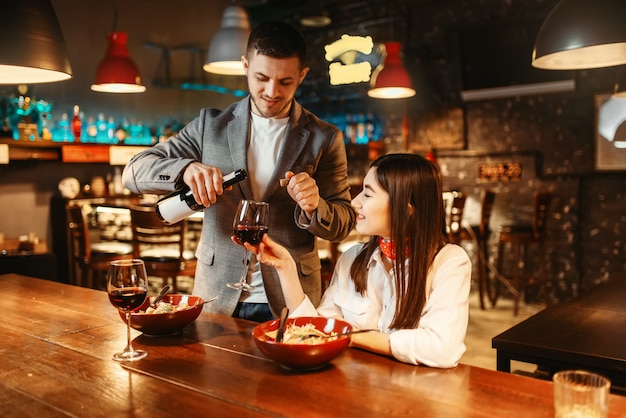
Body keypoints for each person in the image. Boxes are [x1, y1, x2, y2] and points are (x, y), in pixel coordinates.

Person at [122, 21, 356, 322]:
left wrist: (315, 206)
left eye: (285, 82)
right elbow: (133, 172)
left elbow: (343, 223)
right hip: (217, 296)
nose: (272, 91)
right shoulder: (210, 126)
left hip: (292, 299)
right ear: (245, 66)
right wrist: (186, 168)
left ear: (302, 75)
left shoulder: (325, 137)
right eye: (261, 77)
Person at [244, 153, 472, 367]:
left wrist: (352, 337)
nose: (355, 202)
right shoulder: (352, 259)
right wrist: (286, 268)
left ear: (405, 208)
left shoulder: (449, 262)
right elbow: (319, 333)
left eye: (368, 193)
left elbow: (442, 348)